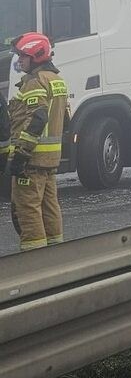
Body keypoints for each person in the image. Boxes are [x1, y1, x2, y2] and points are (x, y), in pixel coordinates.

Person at [6, 32, 67, 250]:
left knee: (28, 209)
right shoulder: (56, 81)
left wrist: (21, 155)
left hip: (31, 160)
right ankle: (55, 254)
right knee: (50, 207)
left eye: (23, 56)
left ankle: (34, 259)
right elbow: (63, 119)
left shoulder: (34, 82)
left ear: (36, 56)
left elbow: (37, 118)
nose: (19, 60)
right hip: (50, 160)